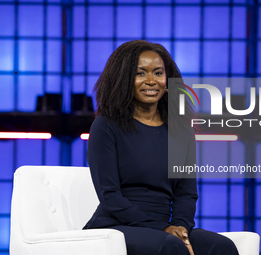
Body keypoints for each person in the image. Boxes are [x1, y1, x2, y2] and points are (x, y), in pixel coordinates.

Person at [83, 40, 239, 255]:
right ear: (124, 79)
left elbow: (186, 194)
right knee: (169, 245)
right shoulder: (106, 125)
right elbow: (110, 196)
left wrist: (181, 228)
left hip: (165, 228)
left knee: (221, 246)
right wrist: (164, 229)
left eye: (158, 73)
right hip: (117, 226)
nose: (151, 81)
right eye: (140, 73)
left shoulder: (181, 130)